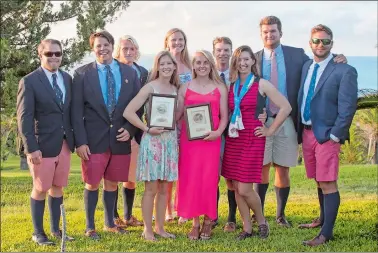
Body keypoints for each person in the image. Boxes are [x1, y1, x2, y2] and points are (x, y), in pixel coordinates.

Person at [253, 16, 347, 227]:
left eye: (273, 31)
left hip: (287, 118)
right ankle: (257, 214)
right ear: (261, 35)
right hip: (262, 120)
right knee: (262, 167)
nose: (270, 35)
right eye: (266, 32)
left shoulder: (296, 55)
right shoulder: (254, 58)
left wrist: (338, 58)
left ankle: (280, 214)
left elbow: (320, 65)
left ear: (280, 33)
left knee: (282, 168)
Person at [71, 30, 142, 240]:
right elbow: (76, 112)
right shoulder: (82, 74)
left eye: (106, 44)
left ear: (112, 46)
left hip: (120, 139)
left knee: (112, 182)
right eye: (98, 46)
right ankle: (90, 226)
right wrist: (80, 142)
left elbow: (138, 108)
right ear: (93, 49)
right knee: (92, 182)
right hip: (93, 141)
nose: (102, 49)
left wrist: (130, 130)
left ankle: (110, 223)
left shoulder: (130, 73)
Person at [222, 45, 292, 240]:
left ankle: (261, 221)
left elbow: (286, 107)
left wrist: (270, 129)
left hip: (252, 139)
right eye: (239, 59)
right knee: (236, 186)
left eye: (247, 59)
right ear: (234, 63)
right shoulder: (231, 85)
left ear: (253, 61)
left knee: (245, 188)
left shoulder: (262, 84)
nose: (243, 63)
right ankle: (247, 228)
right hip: (234, 139)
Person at [297, 24, 358, 246]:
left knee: (328, 181)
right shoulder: (306, 67)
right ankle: (322, 219)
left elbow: (348, 107)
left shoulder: (344, 70)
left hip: (327, 135)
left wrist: (335, 135)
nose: (320, 45)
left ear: (332, 43)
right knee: (318, 179)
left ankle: (326, 233)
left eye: (325, 41)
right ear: (310, 43)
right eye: (316, 41)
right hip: (307, 132)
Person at [16, 39, 75, 245]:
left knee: (58, 187)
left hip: (64, 144)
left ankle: (56, 230)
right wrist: (31, 148)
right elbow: (24, 117)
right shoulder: (30, 81)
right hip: (41, 146)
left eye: (57, 53)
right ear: (40, 55)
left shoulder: (67, 78)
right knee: (41, 188)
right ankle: (38, 233)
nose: (54, 57)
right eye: (49, 54)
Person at [123, 50, 179, 241]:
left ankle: (160, 227)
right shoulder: (149, 88)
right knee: (151, 189)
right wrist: (146, 128)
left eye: (169, 64)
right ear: (157, 66)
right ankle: (147, 230)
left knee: (164, 189)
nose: (166, 67)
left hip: (170, 142)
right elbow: (129, 112)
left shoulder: (175, 89)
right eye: (162, 64)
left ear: (174, 66)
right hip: (153, 142)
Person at [176, 50, 228, 240]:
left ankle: (208, 221)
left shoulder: (220, 87)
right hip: (190, 143)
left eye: (205, 62)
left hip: (211, 141)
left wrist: (218, 132)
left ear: (211, 64)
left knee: (209, 180)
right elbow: (178, 115)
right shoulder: (185, 87)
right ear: (193, 65)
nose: (202, 66)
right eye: (198, 62)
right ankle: (195, 223)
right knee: (192, 181)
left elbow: (224, 116)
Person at [112, 35, 148, 228]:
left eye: (132, 49)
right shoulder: (113, 71)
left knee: (131, 176)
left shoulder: (143, 72)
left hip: (135, 130)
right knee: (113, 177)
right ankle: (113, 215)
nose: (128, 52)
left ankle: (128, 215)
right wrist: (123, 128)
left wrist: (131, 128)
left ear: (137, 51)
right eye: (125, 48)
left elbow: (142, 106)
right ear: (118, 50)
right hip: (115, 130)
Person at [163, 28, 192, 223]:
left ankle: (182, 208)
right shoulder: (163, 64)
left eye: (181, 39)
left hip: (189, 122)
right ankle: (167, 210)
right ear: (167, 42)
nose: (177, 43)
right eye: (173, 40)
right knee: (169, 169)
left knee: (184, 168)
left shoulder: (190, 65)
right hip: (167, 122)